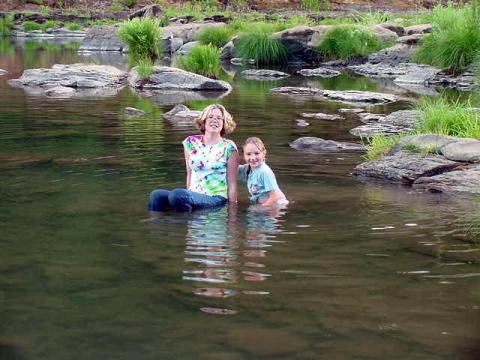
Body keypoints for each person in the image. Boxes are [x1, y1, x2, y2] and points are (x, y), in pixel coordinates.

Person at [148, 104, 238, 212]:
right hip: (193, 194)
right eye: (210, 117)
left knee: (177, 195)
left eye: (219, 118)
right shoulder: (191, 142)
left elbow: (232, 183)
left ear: (224, 124)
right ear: (204, 121)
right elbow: (189, 173)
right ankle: (158, 226)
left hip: (216, 198)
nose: (215, 120)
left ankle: (188, 220)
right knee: (156, 196)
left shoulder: (229, 147)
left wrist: (233, 213)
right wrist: (187, 196)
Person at [238, 137, 287, 207]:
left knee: (252, 212)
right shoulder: (248, 169)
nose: (253, 158)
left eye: (256, 153)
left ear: (264, 153)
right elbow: (231, 171)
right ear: (244, 156)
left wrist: (262, 208)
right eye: (248, 154)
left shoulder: (264, 172)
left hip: (274, 205)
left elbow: (277, 196)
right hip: (264, 204)